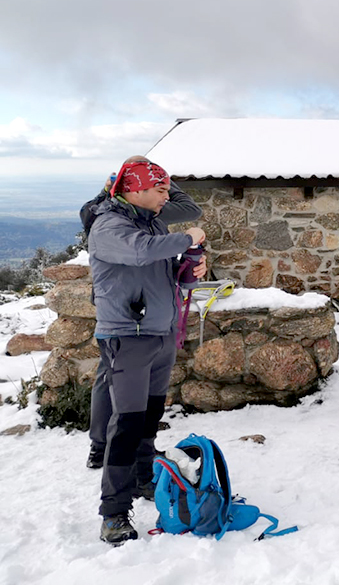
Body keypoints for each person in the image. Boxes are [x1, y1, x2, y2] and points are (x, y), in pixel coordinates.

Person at [87, 159, 206, 545]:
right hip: (127, 336)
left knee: (150, 418)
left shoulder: (149, 220)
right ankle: (114, 513)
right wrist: (189, 237)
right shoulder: (109, 225)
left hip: (159, 333)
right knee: (125, 425)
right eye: (161, 190)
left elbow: (158, 269)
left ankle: (142, 478)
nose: (167, 197)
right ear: (135, 189)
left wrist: (187, 270)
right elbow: (141, 252)